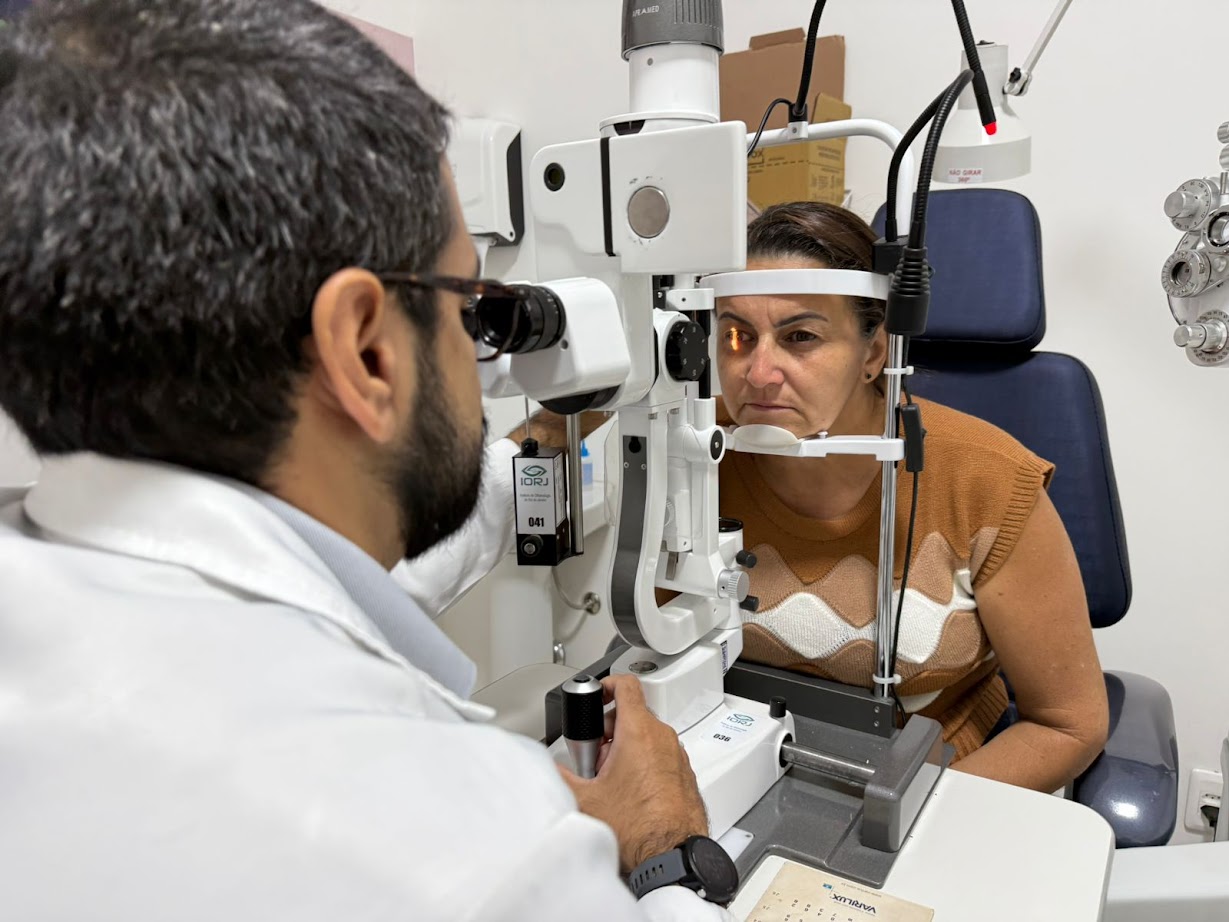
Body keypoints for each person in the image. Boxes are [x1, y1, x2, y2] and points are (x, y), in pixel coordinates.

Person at [0, 2, 733, 919]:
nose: (483, 355)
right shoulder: (471, 853)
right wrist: (668, 849)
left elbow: (347, 577)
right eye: (470, 307)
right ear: (366, 350)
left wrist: (545, 436)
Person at [713, 201, 1109, 792]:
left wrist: (905, 817)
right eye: (737, 336)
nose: (758, 372)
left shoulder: (988, 478)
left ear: (874, 353)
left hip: (929, 784)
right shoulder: (692, 452)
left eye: (800, 337)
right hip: (734, 764)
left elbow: (1068, 724)